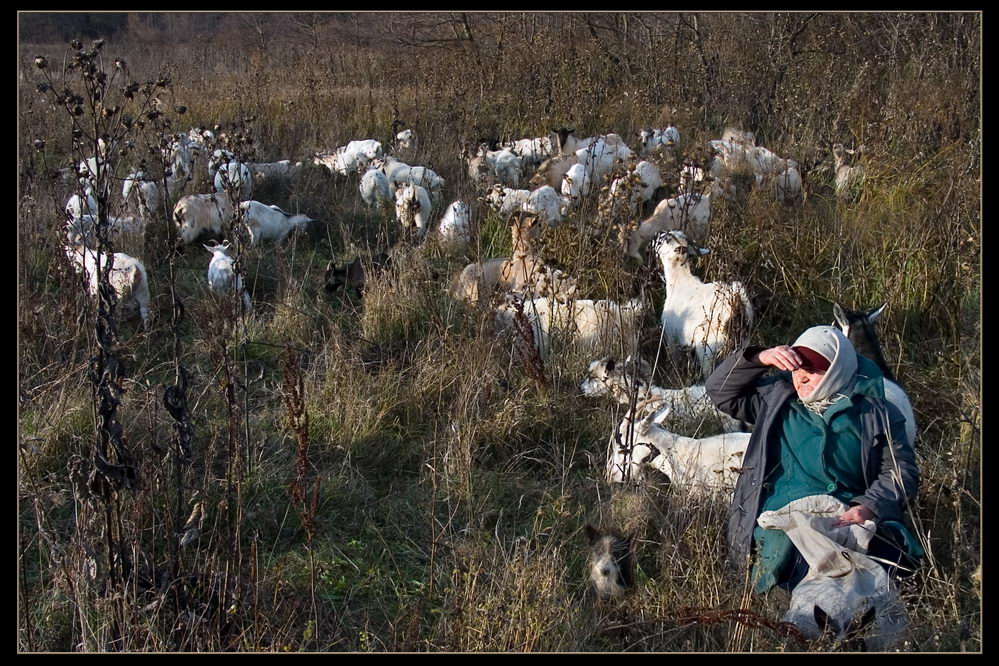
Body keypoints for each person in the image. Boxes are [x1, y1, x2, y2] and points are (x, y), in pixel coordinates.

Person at [705, 325, 921, 594]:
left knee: (888, 568)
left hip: (850, 515)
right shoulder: (776, 400)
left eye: (814, 370)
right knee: (803, 572)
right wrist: (761, 357)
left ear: (837, 370)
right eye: (797, 368)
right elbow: (719, 390)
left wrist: (869, 506)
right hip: (786, 516)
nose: (802, 378)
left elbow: (900, 471)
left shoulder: (877, 413)